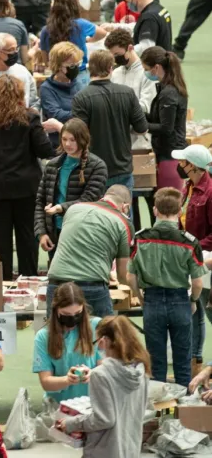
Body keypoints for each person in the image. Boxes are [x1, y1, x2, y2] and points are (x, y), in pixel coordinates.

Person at [0, 75, 54, 278]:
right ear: (20, 95)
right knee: (28, 242)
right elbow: (44, 150)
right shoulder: (31, 117)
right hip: (27, 188)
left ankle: (1, 289)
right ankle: (29, 283)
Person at [55, 316, 149, 458]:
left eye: (97, 341)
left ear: (105, 341)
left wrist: (71, 423)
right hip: (129, 457)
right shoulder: (141, 370)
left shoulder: (101, 374)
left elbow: (104, 419)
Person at [128, 186, 203, 387]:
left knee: (155, 362)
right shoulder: (189, 242)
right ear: (180, 212)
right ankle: (183, 411)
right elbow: (197, 283)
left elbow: (130, 277)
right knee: (182, 362)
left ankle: (159, 411)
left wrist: (141, 298)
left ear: (154, 210)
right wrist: (193, 301)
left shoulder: (141, 238)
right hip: (180, 301)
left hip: (152, 301)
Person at [46, 185, 133, 315]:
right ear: (125, 207)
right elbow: (122, 274)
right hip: (92, 285)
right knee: (103, 333)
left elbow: (82, 242)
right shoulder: (123, 223)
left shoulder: (73, 209)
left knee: (56, 334)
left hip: (56, 283)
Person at [72, 50, 148, 188]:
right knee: (122, 208)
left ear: (90, 69)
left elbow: (79, 137)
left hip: (94, 170)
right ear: (110, 68)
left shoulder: (81, 98)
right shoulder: (128, 93)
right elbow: (142, 129)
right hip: (122, 168)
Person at [35, 118, 108, 255]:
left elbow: (89, 199)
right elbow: (40, 201)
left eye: (72, 140)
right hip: (55, 232)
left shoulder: (97, 166)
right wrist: (42, 233)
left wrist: (61, 208)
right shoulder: (52, 165)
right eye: (64, 139)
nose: (67, 144)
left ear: (83, 139)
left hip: (83, 232)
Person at [175, 145, 212, 374]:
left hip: (206, 260)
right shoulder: (188, 187)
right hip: (191, 257)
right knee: (196, 307)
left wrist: (195, 248)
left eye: (183, 161)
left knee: (208, 309)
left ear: (193, 165)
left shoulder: (210, 192)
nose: (179, 164)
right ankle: (196, 361)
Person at [33, 282, 103, 403]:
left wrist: (93, 374)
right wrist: (67, 380)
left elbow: (108, 368)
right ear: (56, 310)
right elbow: (46, 383)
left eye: (77, 314)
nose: (72, 319)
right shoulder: (43, 337)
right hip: (61, 405)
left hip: (94, 402)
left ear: (83, 308)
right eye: (66, 314)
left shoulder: (97, 326)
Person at [140, 47, 188, 190]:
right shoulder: (167, 88)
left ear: (156, 67)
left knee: (168, 205)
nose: (146, 73)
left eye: (146, 69)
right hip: (166, 154)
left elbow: (166, 128)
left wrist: (142, 126)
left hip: (170, 155)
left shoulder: (169, 93)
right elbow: (158, 118)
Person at [39, 0, 107, 87]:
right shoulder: (81, 24)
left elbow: (45, 58)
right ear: (74, 6)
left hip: (58, 75)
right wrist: (89, 40)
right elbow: (102, 33)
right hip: (79, 73)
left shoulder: (46, 30)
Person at [105, 28, 156, 150]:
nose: (114, 58)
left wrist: (120, 107)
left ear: (130, 48)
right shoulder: (115, 73)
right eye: (112, 55)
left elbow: (146, 106)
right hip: (117, 138)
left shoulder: (147, 74)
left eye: (117, 54)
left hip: (140, 140)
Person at [40, 44, 90, 147]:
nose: (76, 68)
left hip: (80, 143)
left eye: (77, 64)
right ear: (57, 66)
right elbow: (56, 115)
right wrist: (82, 114)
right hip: (60, 145)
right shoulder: (47, 88)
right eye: (71, 65)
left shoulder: (79, 84)